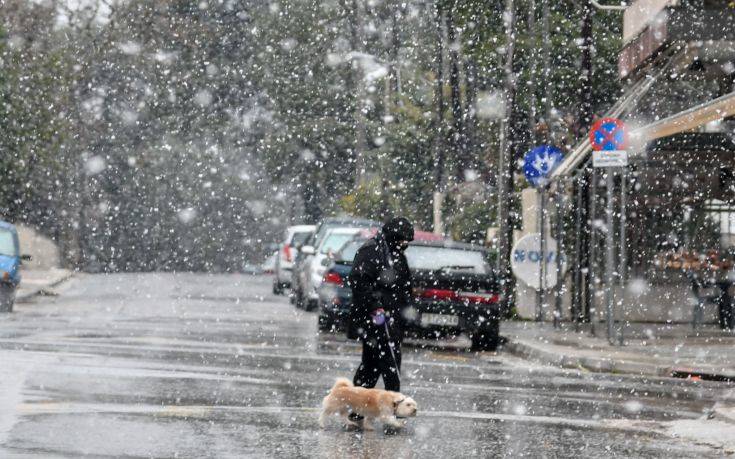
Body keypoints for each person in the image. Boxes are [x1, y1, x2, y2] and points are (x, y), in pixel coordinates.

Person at [347, 217, 414, 394]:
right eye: (402, 239)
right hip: (375, 318)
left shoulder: (395, 254)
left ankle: (359, 406)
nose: (404, 244)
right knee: (384, 362)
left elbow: (404, 286)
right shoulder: (371, 251)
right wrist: (375, 306)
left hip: (393, 318)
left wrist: (408, 310)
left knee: (377, 363)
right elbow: (360, 282)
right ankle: (391, 406)